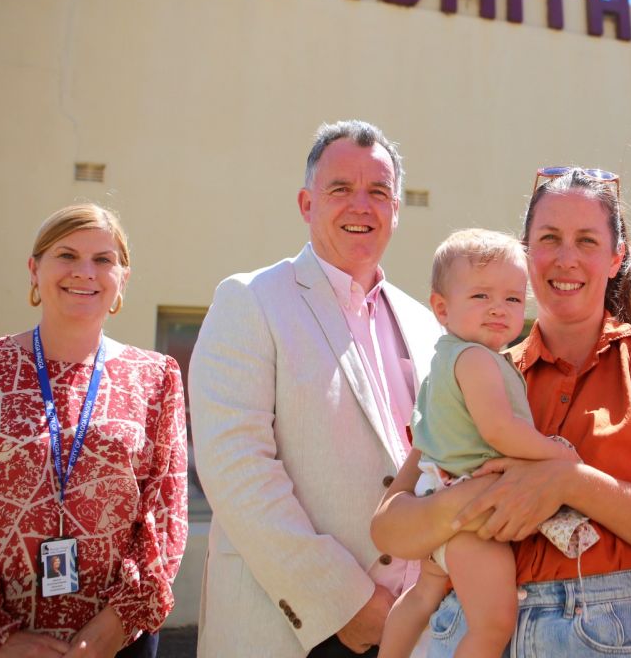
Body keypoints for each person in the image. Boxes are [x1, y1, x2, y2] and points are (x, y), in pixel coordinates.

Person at [372, 167, 631, 658]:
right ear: (526, 256)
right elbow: (388, 528)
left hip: (602, 633)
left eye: (587, 241)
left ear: (616, 259)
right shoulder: (478, 368)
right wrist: (465, 502)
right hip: (466, 625)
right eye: (549, 238)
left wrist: (571, 482)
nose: (566, 258)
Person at [188, 121, 442, 658]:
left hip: (416, 629)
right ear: (307, 204)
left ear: (396, 210)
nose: (361, 206)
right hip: (294, 628)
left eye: (378, 192)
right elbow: (236, 468)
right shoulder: (250, 300)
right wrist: (343, 603)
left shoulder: (426, 324)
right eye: (340, 189)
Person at [0, 203, 188, 658]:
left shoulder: (156, 377)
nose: (84, 272)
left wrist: (114, 626)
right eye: (66, 255)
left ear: (122, 278)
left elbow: (164, 516)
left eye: (103, 260)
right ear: (34, 269)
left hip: (116, 642)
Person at [380, 229, 584, 658]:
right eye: (480, 297)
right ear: (441, 306)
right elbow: (499, 430)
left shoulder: (446, 358)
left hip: (438, 494)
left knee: (420, 597)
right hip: (469, 514)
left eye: (512, 299)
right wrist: (559, 454)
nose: (498, 308)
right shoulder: (475, 360)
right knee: (493, 625)